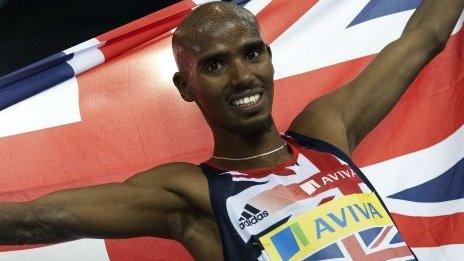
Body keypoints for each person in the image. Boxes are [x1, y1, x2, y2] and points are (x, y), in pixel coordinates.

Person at [1, 1, 463, 260]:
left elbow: (423, 38)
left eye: (251, 54)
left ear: (269, 57)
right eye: (215, 64)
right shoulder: (194, 196)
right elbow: (36, 218)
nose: (242, 76)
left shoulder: (327, 132)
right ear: (186, 86)